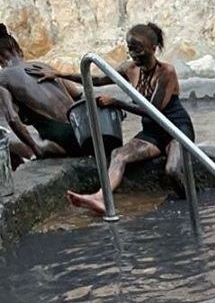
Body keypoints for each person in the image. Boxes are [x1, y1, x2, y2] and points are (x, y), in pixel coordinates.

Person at [34, 23, 195, 214]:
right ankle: (100, 197)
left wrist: (117, 103)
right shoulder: (130, 69)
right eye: (131, 50)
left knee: (172, 171)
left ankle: (191, 207)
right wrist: (60, 75)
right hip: (152, 132)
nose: (134, 56)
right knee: (118, 155)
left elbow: (154, 111)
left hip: (176, 129)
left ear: (153, 49)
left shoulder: (166, 72)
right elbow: (98, 80)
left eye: (139, 50)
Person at [0, 25, 83, 158]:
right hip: (83, 129)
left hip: (62, 137)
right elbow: (77, 93)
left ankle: (41, 148)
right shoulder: (42, 66)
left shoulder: (3, 77)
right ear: (19, 50)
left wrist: (35, 148)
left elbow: (13, 119)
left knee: (4, 140)